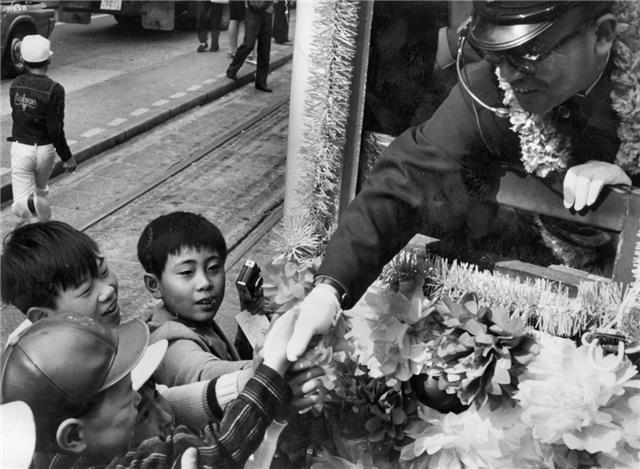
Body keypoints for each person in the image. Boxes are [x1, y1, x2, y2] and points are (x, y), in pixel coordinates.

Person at [285, 0, 637, 362]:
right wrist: (330, 288)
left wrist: (630, 186)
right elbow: (409, 175)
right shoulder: (490, 88)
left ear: (603, 35)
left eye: (528, 53)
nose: (509, 74)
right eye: (498, 54)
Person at [0, 311, 298, 468]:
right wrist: (273, 367)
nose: (137, 397)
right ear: (75, 436)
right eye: (129, 399)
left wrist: (249, 382)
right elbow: (216, 451)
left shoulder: (58, 453)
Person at [137, 211, 327, 408]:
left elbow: (230, 357)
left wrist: (249, 312)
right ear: (154, 285)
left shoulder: (190, 318)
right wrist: (272, 366)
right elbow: (207, 375)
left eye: (213, 268)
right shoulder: (169, 344)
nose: (204, 283)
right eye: (186, 272)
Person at [8, 35, 77, 225]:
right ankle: (41, 216)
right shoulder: (56, 89)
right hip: (45, 152)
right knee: (40, 190)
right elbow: (55, 129)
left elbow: (18, 115)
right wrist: (67, 157)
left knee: (21, 206)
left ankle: (35, 212)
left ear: (23, 61)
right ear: (49, 60)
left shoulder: (15, 85)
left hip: (22, 149)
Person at [226, 0, 274, 92]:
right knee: (248, 44)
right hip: (252, 9)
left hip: (267, 9)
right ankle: (232, 69)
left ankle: (261, 81)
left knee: (265, 47)